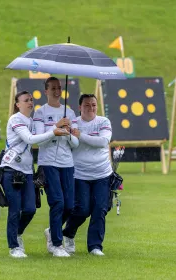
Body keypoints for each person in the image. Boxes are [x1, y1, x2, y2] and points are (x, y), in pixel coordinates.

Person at [0, 90, 69, 258]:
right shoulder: (15, 119)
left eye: (31, 99)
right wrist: (54, 131)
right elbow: (30, 139)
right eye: (26, 100)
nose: (30, 102)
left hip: (27, 172)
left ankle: (16, 234)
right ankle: (14, 247)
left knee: (30, 209)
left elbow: (40, 138)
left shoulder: (31, 121)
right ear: (17, 104)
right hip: (11, 169)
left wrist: (57, 127)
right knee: (15, 209)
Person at [33, 77, 79, 257]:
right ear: (46, 91)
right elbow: (38, 138)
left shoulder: (70, 113)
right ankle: (57, 245)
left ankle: (52, 231)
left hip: (67, 163)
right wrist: (55, 126)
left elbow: (75, 143)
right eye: (52, 88)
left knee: (69, 206)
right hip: (48, 163)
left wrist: (67, 132)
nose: (56, 91)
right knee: (57, 202)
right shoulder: (40, 113)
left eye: (59, 88)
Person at [62, 93, 113, 256]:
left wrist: (80, 135)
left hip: (102, 174)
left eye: (93, 105)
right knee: (82, 209)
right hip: (80, 174)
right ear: (79, 107)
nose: (91, 108)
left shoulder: (104, 122)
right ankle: (68, 234)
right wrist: (69, 133)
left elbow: (103, 142)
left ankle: (95, 246)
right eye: (87, 105)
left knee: (100, 209)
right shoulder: (73, 123)